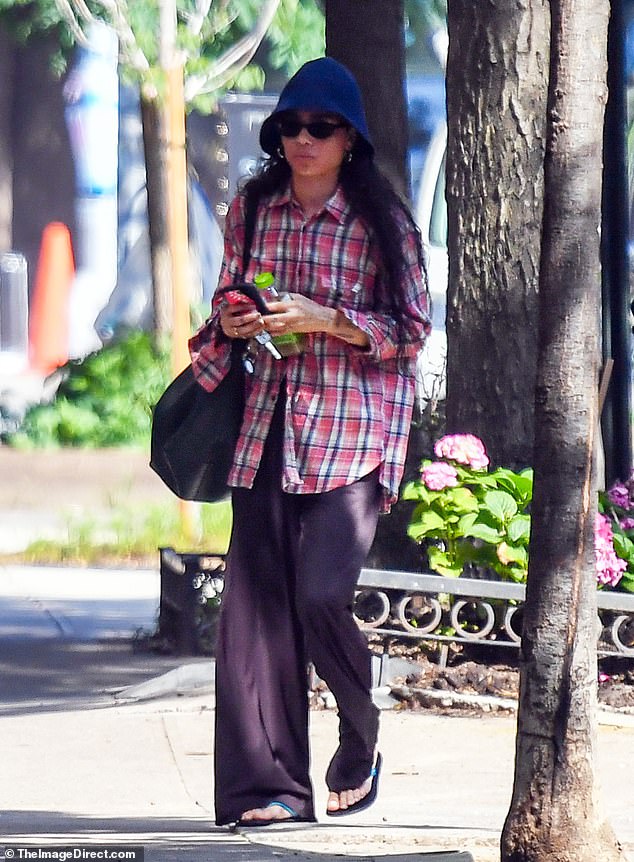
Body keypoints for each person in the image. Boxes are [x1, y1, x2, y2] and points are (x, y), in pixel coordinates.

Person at [189, 56, 431, 827]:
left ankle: (360, 734)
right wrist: (237, 318)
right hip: (264, 428)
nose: (303, 139)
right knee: (256, 618)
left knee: (321, 594)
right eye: (290, 126)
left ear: (349, 139)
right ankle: (271, 791)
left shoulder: (383, 223)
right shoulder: (253, 207)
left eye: (320, 127)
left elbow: (413, 329)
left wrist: (326, 319)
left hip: (352, 437)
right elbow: (227, 292)